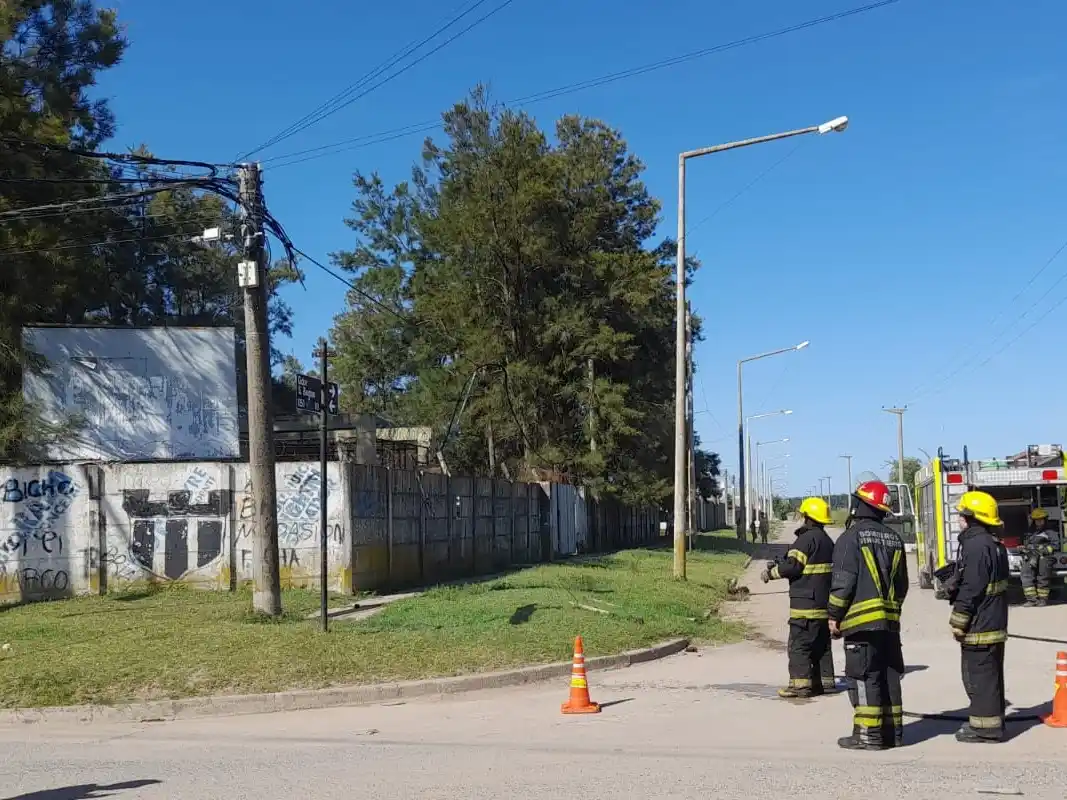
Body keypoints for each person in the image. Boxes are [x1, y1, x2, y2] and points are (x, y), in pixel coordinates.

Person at [828, 479, 909, 750]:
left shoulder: (849, 538)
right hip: (889, 623)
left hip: (861, 625)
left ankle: (867, 735)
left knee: (864, 676)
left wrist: (833, 615)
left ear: (860, 504)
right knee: (889, 675)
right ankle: (893, 733)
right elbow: (902, 586)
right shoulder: (895, 539)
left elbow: (843, 582)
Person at [948, 490, 1010, 743]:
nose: (959, 519)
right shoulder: (994, 545)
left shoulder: (975, 545)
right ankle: (990, 722)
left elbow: (973, 587)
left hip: (980, 624)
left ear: (971, 517)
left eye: (962, 515)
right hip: (994, 621)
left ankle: (985, 729)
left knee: (979, 676)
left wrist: (959, 618)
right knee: (991, 675)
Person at [761, 496, 836, 697]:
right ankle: (825, 683)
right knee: (821, 645)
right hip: (823, 603)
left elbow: (793, 566)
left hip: (805, 605)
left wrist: (771, 573)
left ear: (808, 517)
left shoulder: (805, 540)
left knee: (799, 645)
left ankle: (800, 685)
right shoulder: (827, 541)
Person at [1020, 508, 1056, 607]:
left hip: (1045, 557)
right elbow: (1026, 544)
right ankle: (1032, 600)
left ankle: (1042, 599)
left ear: (1045, 520)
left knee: (1042, 575)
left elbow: (1055, 546)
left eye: (1041, 520)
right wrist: (1024, 548)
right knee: (1025, 574)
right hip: (1031, 556)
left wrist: (1042, 550)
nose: (1038, 522)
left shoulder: (1050, 532)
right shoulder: (1030, 532)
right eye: (1036, 520)